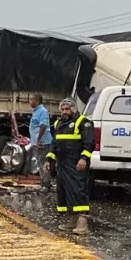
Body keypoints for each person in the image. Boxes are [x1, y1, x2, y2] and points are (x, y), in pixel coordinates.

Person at [44, 97, 94, 235]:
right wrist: (49, 160)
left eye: (68, 109)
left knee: (78, 190)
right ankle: (71, 221)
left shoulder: (83, 122)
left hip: (76, 164)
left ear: (73, 109)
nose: (65, 112)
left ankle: (82, 223)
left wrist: (83, 159)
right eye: (63, 109)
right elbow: (54, 145)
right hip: (62, 165)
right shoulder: (58, 124)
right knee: (64, 192)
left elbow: (89, 143)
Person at [28, 94, 53, 191]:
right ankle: (43, 183)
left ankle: (46, 185)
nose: (29, 102)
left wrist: (38, 140)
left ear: (37, 101)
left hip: (42, 142)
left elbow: (43, 126)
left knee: (44, 163)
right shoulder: (36, 111)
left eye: (31, 100)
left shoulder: (42, 111)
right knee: (39, 162)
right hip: (38, 142)